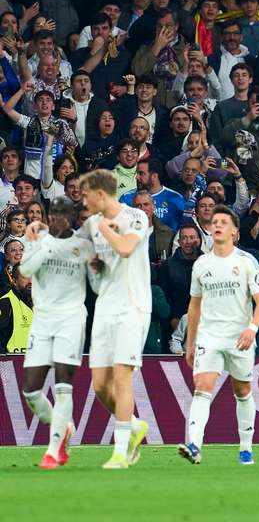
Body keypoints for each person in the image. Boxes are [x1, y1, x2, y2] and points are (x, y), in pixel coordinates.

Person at [178, 205, 259, 465]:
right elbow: (194, 306)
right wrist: (191, 341)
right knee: (202, 387)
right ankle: (194, 445)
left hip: (239, 336)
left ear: (235, 232)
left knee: (242, 390)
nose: (217, 225)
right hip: (209, 336)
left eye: (223, 222)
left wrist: (252, 329)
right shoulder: (201, 264)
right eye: (214, 221)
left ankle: (246, 447)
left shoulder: (246, 261)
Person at [77, 169, 153, 469]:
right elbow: (98, 274)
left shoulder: (135, 217)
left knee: (122, 376)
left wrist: (107, 230)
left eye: (86, 194)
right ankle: (134, 426)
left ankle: (121, 452)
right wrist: (94, 265)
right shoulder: (91, 225)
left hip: (133, 307)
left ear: (100, 193)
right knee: (99, 385)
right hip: (106, 305)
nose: (84, 200)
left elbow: (124, 248)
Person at [19, 198, 95, 469]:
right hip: (42, 320)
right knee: (30, 391)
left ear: (72, 217)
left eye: (63, 214)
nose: (57, 219)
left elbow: (96, 284)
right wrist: (44, 244)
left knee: (63, 385)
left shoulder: (83, 246)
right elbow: (25, 270)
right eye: (54, 214)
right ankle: (63, 427)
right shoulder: (37, 238)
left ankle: (53, 451)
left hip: (71, 319)